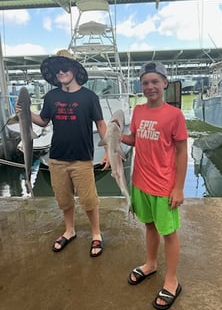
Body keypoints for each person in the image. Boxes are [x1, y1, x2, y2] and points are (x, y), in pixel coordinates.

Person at [16, 49, 109, 257]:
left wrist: (108, 152)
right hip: (57, 158)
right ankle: (69, 230)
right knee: (64, 199)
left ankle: (96, 234)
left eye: (64, 68)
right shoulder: (51, 96)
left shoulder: (89, 97)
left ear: (74, 70)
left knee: (89, 200)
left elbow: (101, 125)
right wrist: (26, 113)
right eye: (57, 70)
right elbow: (43, 121)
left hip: (82, 158)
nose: (61, 72)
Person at [122, 62, 188, 309]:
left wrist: (178, 188)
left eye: (154, 82)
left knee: (169, 233)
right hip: (140, 182)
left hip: (163, 186)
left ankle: (172, 280)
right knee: (149, 226)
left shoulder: (175, 115)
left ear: (164, 83)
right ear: (141, 85)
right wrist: (116, 136)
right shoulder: (138, 111)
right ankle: (151, 264)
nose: (150, 87)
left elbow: (181, 152)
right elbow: (136, 140)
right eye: (145, 82)